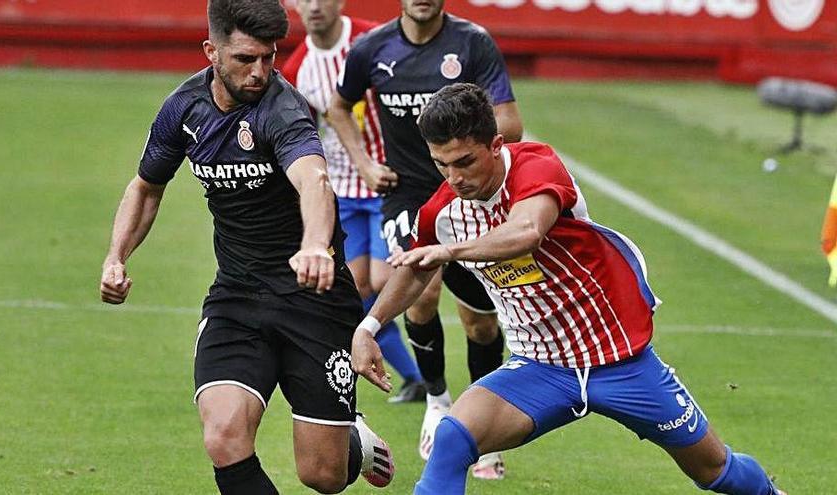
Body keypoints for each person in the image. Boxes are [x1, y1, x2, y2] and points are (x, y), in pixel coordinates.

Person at [351, 83, 787, 495]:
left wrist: (449, 252)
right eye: (441, 164)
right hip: (540, 367)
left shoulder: (536, 165)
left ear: (496, 145)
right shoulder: (441, 211)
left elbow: (527, 232)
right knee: (452, 438)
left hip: (621, 360)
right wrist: (369, 326)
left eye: (464, 162)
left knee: (714, 470)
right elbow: (414, 271)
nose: (454, 177)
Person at [98, 1, 394, 493]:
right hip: (237, 296)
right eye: (244, 59)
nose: (259, 72)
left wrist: (317, 245)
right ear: (211, 51)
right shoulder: (184, 107)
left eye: (268, 57)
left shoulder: (283, 108)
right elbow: (146, 186)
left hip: (313, 299)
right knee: (223, 435)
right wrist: (116, 257)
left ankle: (352, 443)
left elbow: (314, 180)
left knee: (321, 475)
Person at [328, 0, 523, 477]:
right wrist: (365, 163)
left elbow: (511, 123)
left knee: (479, 324)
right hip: (408, 196)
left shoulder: (472, 42)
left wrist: (470, 141)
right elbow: (337, 107)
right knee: (421, 290)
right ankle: (437, 399)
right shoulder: (371, 50)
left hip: (469, 198)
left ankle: (485, 422)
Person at [281, 0, 426, 403]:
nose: (313, 7)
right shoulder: (297, 68)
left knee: (382, 279)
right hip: (342, 190)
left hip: (390, 182)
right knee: (355, 286)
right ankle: (416, 377)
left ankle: (421, 371)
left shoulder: (372, 41)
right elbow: (301, 133)